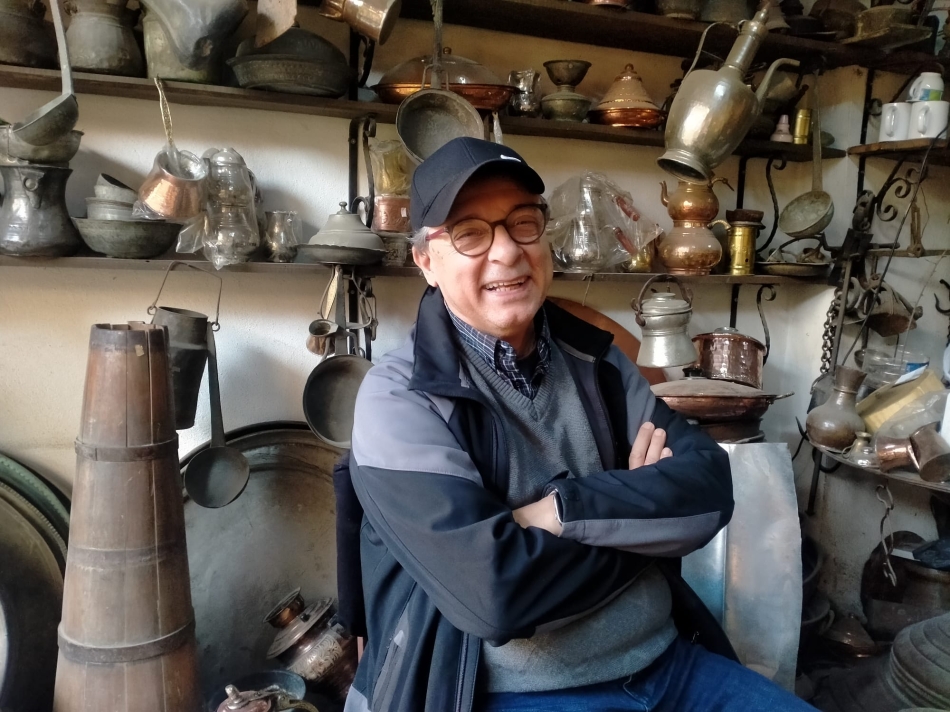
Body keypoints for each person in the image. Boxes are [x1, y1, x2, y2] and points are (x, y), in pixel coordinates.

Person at [344, 137, 814, 712]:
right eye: (469, 233)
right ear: (426, 261)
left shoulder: (600, 360)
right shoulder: (400, 398)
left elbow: (710, 487)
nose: (507, 252)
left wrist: (560, 512)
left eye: (524, 223)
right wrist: (640, 520)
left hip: (670, 663)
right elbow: (495, 596)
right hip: (520, 693)